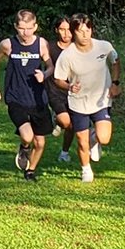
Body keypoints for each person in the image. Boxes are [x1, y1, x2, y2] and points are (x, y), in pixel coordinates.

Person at [0, 9, 54, 181]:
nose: (26, 33)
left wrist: (44, 75)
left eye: (29, 28)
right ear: (16, 27)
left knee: (40, 142)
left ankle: (30, 171)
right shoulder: (8, 44)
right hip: (16, 97)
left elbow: (51, 67)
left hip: (37, 98)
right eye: (22, 28)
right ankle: (24, 147)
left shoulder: (41, 44)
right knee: (27, 136)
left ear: (35, 27)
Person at [53, 13, 121, 183]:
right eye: (80, 31)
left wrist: (115, 83)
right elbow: (58, 79)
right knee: (81, 141)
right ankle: (86, 170)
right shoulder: (67, 55)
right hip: (78, 103)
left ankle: (95, 139)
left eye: (88, 30)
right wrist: (69, 86)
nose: (85, 35)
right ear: (73, 32)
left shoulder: (104, 46)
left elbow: (116, 62)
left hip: (101, 100)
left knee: (104, 137)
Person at [45, 15, 79, 164]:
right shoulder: (49, 47)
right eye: (62, 29)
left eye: (69, 30)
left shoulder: (77, 47)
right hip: (54, 90)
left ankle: (64, 153)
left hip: (73, 91)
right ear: (56, 30)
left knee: (72, 125)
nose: (66, 33)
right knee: (66, 122)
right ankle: (57, 119)